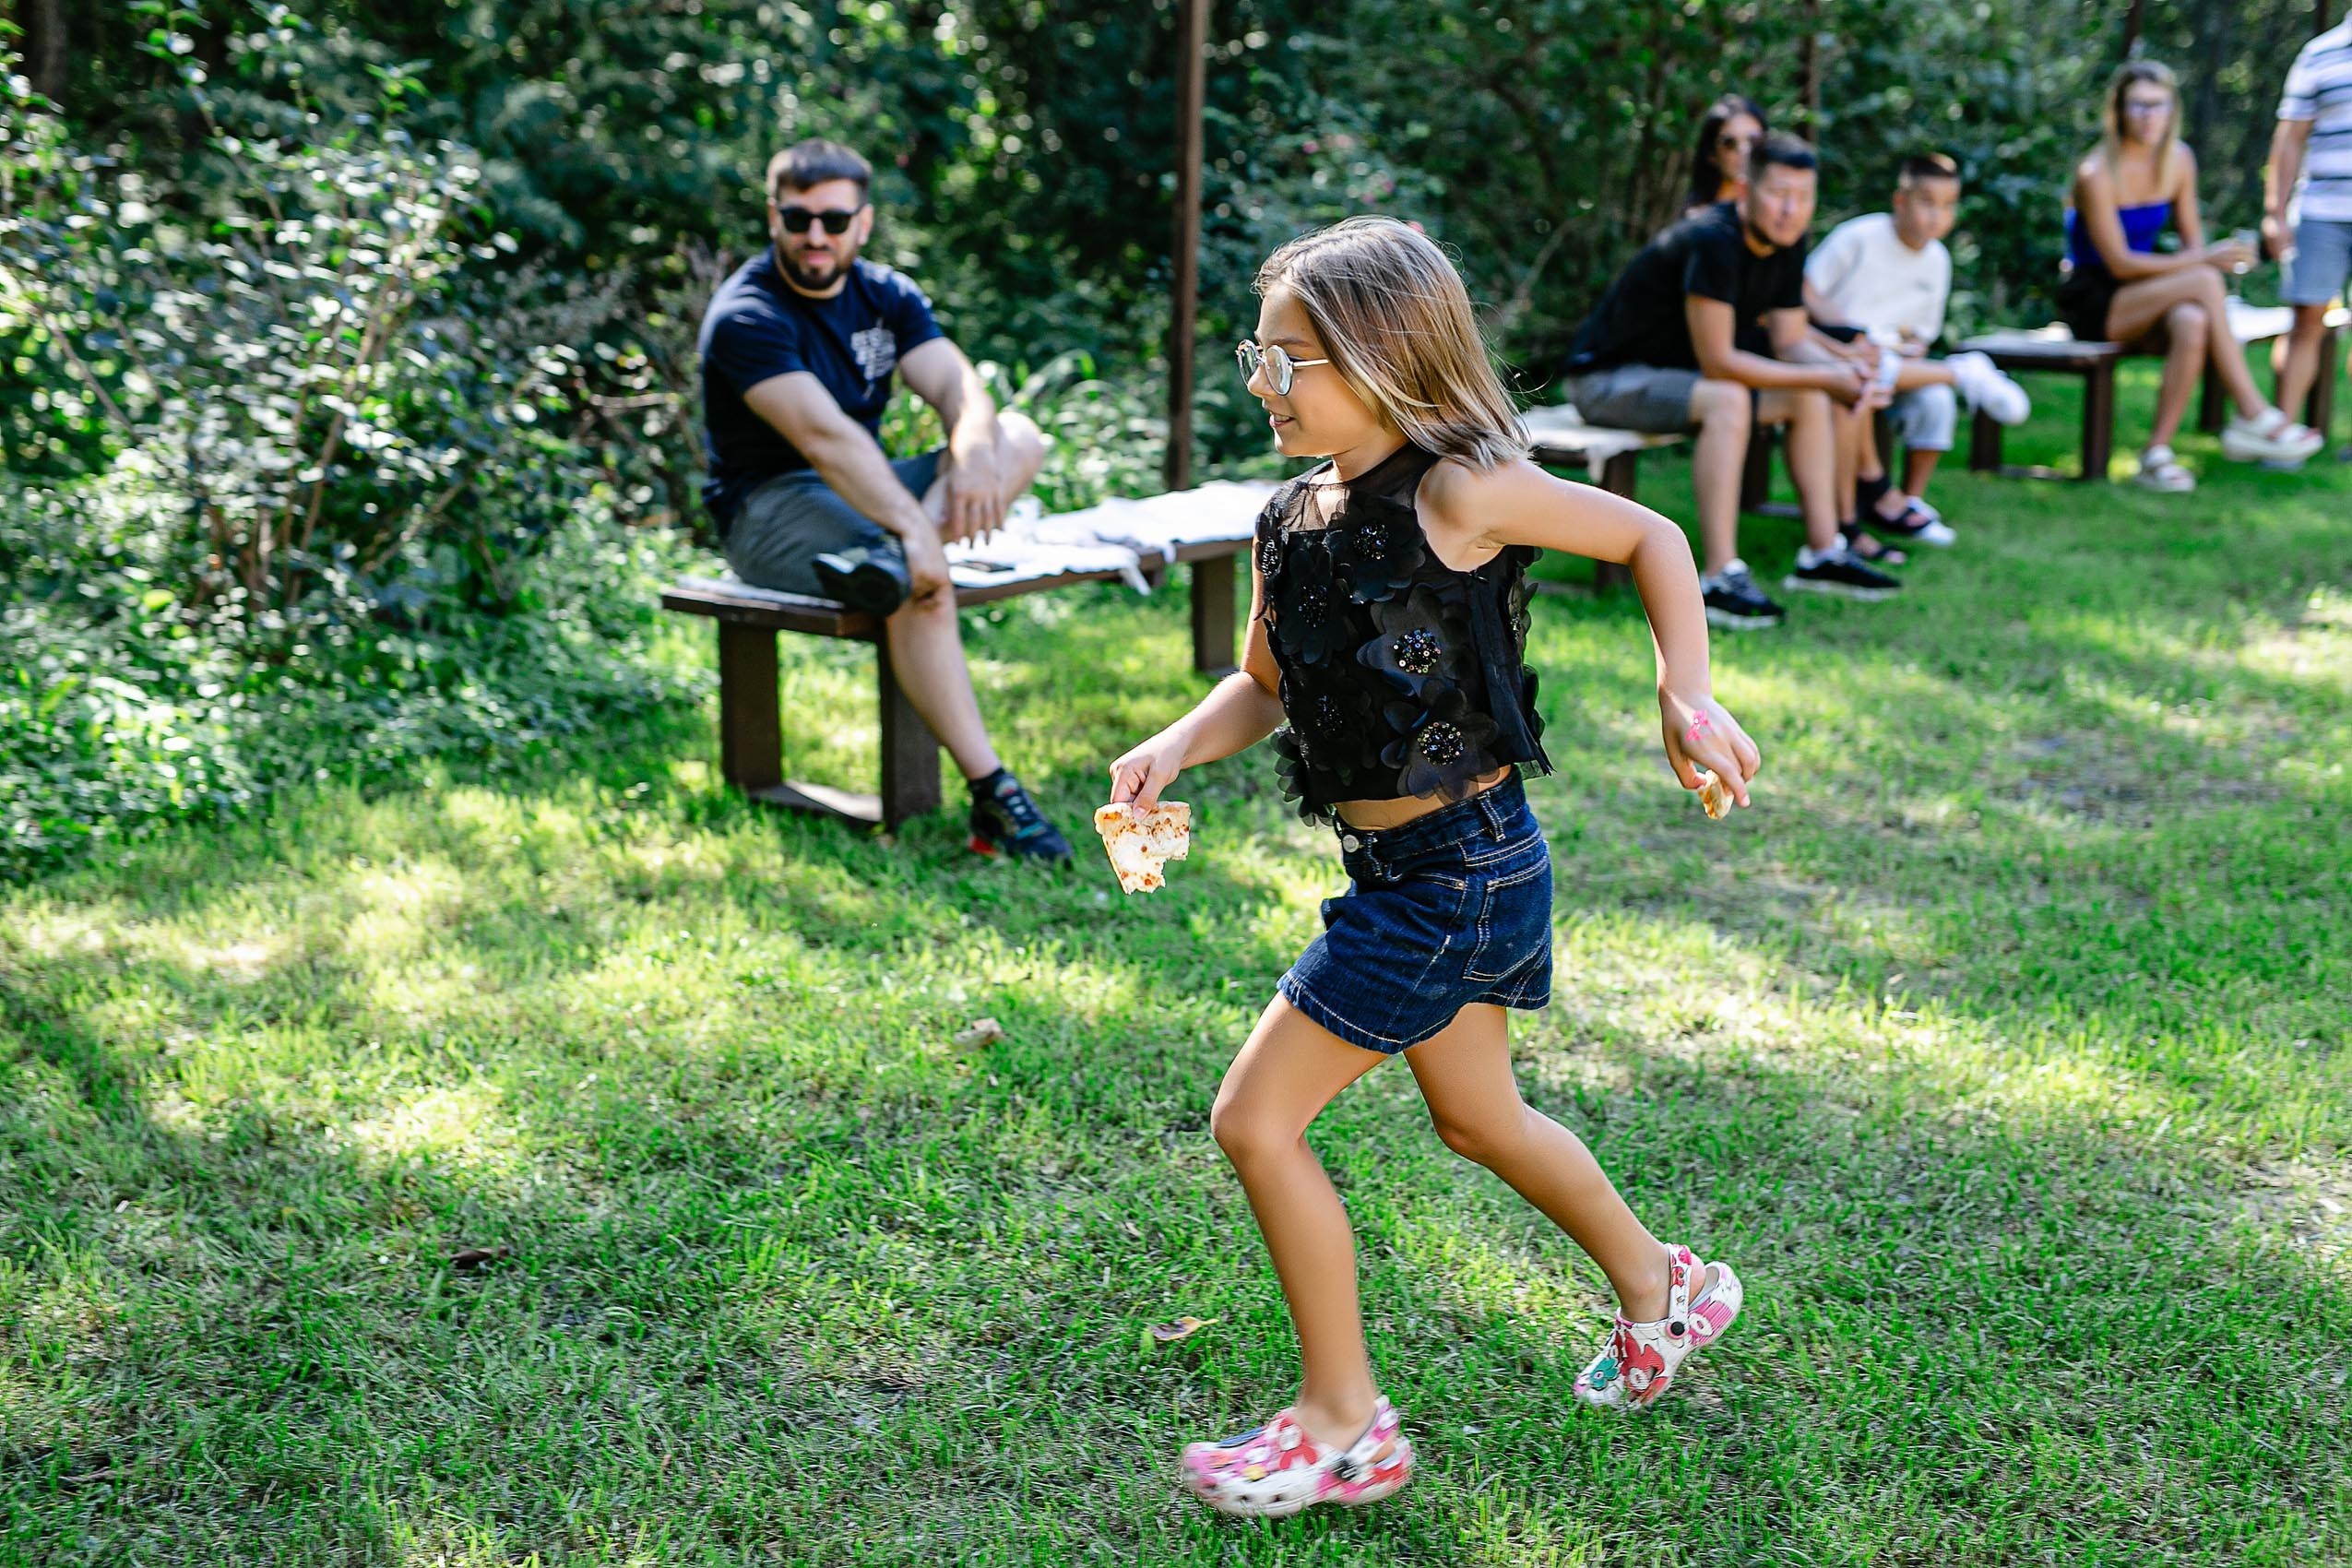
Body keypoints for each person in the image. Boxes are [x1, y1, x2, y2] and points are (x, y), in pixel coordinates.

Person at [1109, 217, 1761, 1518]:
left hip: (1457, 875)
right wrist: (1172, 747)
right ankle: (1664, 1285)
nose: (1261, 382)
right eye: (1258, 353)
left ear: (1380, 355)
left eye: (1288, 358)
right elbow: (1263, 684)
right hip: (1424, 875)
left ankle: (1342, 1421)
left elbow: (1651, 539)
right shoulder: (1288, 517)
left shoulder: (1459, 489)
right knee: (1475, 1119)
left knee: (1254, 1120)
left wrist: (1681, 692)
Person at [698, 137, 1073, 860]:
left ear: (863, 224)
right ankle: (993, 790)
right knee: (920, 590)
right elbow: (826, 440)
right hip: (768, 510)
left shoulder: (885, 294)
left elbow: (958, 386)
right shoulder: (746, 315)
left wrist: (966, 457)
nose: (816, 236)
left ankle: (893, 562)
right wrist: (917, 534)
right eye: (798, 218)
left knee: (1018, 438)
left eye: (834, 221)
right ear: (773, 217)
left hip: (861, 489)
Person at [1563, 133, 1903, 631]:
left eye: (1804, 198)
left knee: (1806, 392)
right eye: (1778, 194)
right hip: (1606, 380)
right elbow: (1720, 362)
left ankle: (1823, 552)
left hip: (1674, 378)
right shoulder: (1714, 241)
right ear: (1745, 190)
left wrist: (1843, 373)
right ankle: (1720, 576)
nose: (1791, 210)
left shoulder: (1785, 242)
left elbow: (1790, 340)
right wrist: (1828, 375)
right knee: (1730, 398)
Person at [2060, 61, 2323, 489]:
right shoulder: (2095, 173)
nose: (2149, 116)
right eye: (2138, 106)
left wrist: (2206, 260)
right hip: (2094, 298)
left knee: (2192, 318)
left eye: (2158, 105)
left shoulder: (2178, 160)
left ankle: (2156, 454)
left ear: (2172, 109)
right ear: (2119, 110)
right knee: (2203, 281)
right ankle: (2253, 415)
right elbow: (2121, 264)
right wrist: (2206, 262)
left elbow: (2190, 244)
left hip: (2145, 292)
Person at [1806, 153, 2032, 546]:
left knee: (1936, 401)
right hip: (1835, 353)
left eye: (1948, 205)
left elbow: (1920, 337)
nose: (1937, 215)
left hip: (1896, 364)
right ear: (1900, 201)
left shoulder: (1938, 260)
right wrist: (1852, 334)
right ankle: (1965, 374)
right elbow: (1804, 291)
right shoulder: (1857, 238)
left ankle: (1908, 500)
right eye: (1927, 202)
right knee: (1867, 372)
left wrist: (1905, 350)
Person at [2263, 15, 2352, 461]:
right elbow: (2289, 138)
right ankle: (2283, 436)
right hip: (2322, 213)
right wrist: (2274, 212)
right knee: (2305, 323)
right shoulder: (2321, 52)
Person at [1685, 94, 1769, 217]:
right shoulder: (1697, 220)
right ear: (1711, 153)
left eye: (1754, 140)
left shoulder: (1777, 216)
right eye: (1729, 143)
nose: (1744, 150)